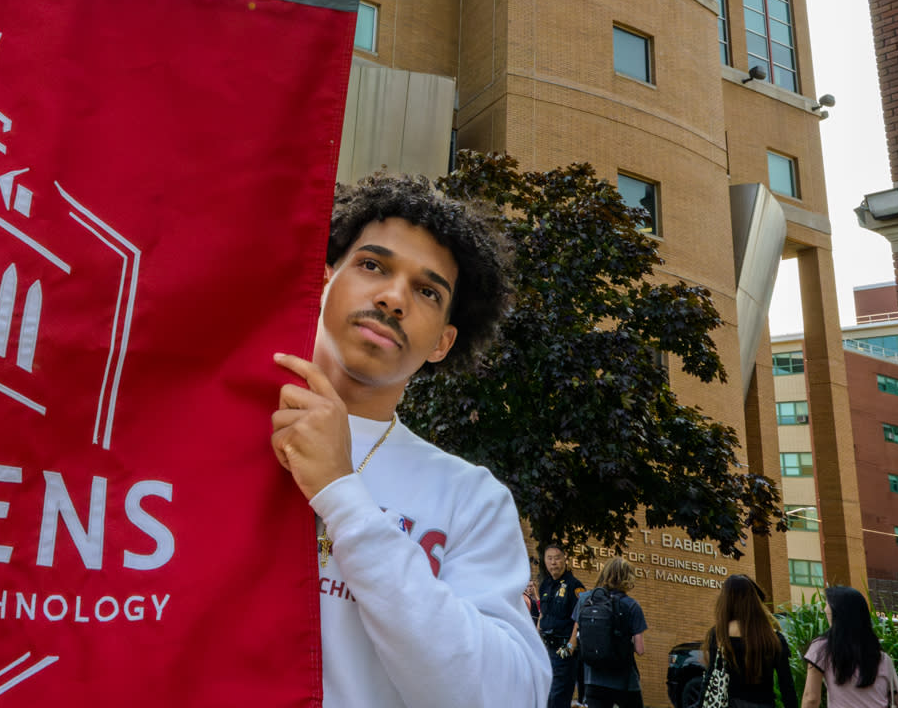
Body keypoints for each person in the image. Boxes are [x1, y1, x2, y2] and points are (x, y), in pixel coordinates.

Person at [270, 173, 550, 706]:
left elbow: (510, 695)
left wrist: (342, 496)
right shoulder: (213, 420)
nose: (394, 297)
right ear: (325, 277)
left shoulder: (472, 498)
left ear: (444, 342)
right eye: (372, 265)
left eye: (426, 291)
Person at [799, 586, 898, 708]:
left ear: (838, 611)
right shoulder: (881, 657)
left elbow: (811, 699)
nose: (824, 609)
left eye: (827, 604)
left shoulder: (822, 648)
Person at [703, 574, 798, 707]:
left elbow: (710, 677)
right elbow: (786, 685)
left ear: (726, 601)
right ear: (754, 601)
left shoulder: (720, 634)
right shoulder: (773, 637)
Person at [572, 557, 649, 708]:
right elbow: (640, 649)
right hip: (624, 681)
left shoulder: (586, 599)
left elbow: (575, 637)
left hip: (593, 679)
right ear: (628, 578)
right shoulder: (632, 606)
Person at [537, 542, 585, 708]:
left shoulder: (574, 586)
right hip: (547, 647)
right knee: (547, 691)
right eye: (549, 558)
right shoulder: (545, 585)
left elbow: (580, 616)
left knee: (559, 692)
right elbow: (543, 613)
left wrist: (572, 642)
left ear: (565, 559)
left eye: (557, 558)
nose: (553, 562)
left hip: (564, 646)